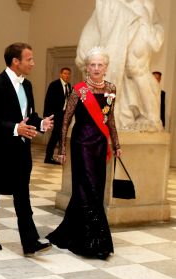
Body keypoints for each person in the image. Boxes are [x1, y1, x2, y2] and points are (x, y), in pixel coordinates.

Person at [46, 46, 122, 260]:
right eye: (92, 64)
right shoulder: (79, 90)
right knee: (86, 186)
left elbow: (111, 119)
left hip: (100, 144)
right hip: (81, 144)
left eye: (100, 64)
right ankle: (91, 241)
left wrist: (116, 143)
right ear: (87, 67)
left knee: (96, 188)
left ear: (106, 67)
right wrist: (61, 148)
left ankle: (78, 232)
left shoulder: (111, 89)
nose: (96, 68)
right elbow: (65, 121)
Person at [0, 42, 54, 257]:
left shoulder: (28, 85)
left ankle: (30, 242)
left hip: (21, 152)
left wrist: (40, 124)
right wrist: (15, 128)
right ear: (16, 61)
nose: (33, 63)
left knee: (23, 196)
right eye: (29, 59)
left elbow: (29, 115)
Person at [76, 0, 164, 132]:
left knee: (136, 68)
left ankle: (152, 118)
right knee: (129, 70)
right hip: (127, 21)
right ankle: (131, 116)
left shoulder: (142, 6)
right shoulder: (107, 5)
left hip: (139, 21)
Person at [43, 67, 72, 164]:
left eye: (68, 74)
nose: (66, 75)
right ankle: (48, 157)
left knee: (61, 136)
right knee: (55, 136)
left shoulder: (69, 86)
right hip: (56, 115)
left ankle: (59, 156)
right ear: (60, 74)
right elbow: (48, 100)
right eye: (64, 73)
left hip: (64, 115)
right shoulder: (54, 85)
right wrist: (47, 116)